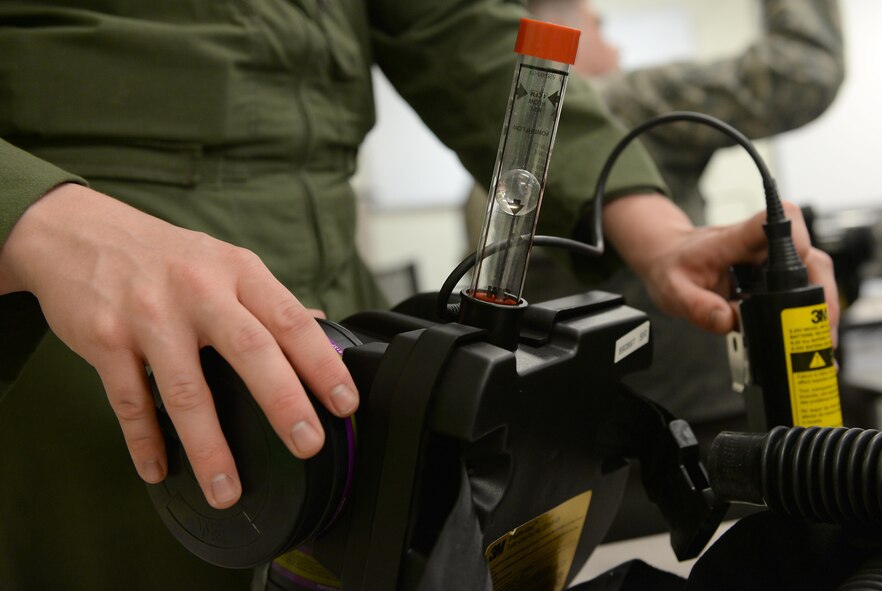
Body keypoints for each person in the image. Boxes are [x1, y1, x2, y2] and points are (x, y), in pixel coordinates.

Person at [0, 1, 836, 589]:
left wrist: (661, 234)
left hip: (334, 318)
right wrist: (36, 218)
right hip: (72, 319)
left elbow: (456, 27)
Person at [467, 0, 845, 423]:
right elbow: (806, 71)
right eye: (601, 29)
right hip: (691, 424)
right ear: (553, 28)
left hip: (568, 433)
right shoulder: (626, 99)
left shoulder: (491, 169)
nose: (617, 50)